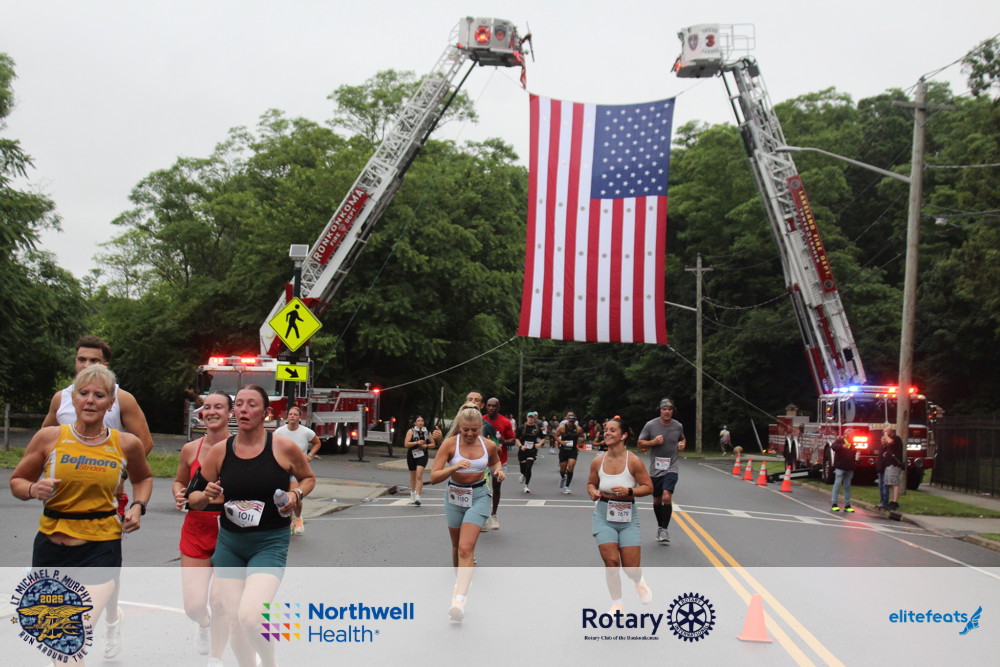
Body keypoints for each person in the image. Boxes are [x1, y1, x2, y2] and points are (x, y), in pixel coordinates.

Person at [9, 365, 153, 660]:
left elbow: (143, 478)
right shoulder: (49, 438)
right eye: (83, 393)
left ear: (110, 403)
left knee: (70, 635)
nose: (90, 401)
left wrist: (138, 506)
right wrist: (33, 489)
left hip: (100, 549)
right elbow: (17, 481)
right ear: (73, 399)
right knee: (58, 644)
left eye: (99, 395)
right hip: (50, 547)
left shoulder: (125, 443)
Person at [190, 385, 316, 667]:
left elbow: (308, 479)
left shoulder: (282, 447)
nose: (243, 410)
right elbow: (193, 498)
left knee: (251, 616)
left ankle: (269, 663)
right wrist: (206, 494)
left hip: (268, 544)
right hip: (230, 546)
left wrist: (296, 494)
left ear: (266, 413)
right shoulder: (221, 451)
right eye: (239, 404)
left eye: (252, 405)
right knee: (235, 622)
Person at [429, 404, 506, 623]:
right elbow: (434, 477)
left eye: (475, 430)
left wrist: (498, 471)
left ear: (481, 427)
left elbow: (495, 461)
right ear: (459, 428)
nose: (470, 434)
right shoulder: (450, 444)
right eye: (466, 430)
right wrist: (454, 467)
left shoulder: (489, 445)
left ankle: (459, 599)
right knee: (456, 547)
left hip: (479, 497)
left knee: (466, 547)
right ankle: (459, 585)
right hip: (454, 496)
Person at [172, 390, 232, 664]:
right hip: (196, 529)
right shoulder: (190, 449)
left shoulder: (240, 449)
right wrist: (179, 493)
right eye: (207, 407)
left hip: (230, 531)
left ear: (230, 413)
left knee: (220, 601)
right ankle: (204, 623)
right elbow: (179, 481)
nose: (211, 412)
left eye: (218, 407)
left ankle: (215, 658)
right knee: (194, 606)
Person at [586, 418, 654, 611]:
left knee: (631, 568)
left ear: (623, 435)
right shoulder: (597, 461)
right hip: (603, 516)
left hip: (627, 519)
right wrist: (592, 491)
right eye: (606, 430)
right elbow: (591, 483)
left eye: (612, 430)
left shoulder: (633, 461)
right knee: (611, 562)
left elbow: (648, 487)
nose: (607, 433)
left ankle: (638, 581)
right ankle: (617, 604)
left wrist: (629, 491)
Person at [637, 398, 686, 544]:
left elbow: (682, 439)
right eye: (664, 409)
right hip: (656, 468)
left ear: (673, 411)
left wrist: (682, 444)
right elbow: (640, 443)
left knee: (666, 496)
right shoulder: (650, 425)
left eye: (669, 409)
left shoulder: (678, 426)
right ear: (659, 410)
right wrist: (652, 442)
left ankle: (664, 529)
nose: (667, 412)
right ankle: (660, 526)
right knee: (657, 499)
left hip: (672, 466)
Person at [273, 406, 321, 534]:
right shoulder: (279, 432)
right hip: (283, 468)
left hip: (298, 469)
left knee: (295, 495)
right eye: (290, 414)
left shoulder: (306, 432)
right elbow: (272, 446)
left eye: (295, 414)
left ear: (300, 418)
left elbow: (317, 443)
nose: (292, 416)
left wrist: (310, 455)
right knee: (285, 496)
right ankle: (288, 524)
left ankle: (298, 518)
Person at [482, 397, 515, 529]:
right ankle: (483, 517)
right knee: (483, 489)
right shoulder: (481, 420)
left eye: (494, 406)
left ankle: (494, 515)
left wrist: (503, 441)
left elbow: (513, 440)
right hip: (483, 460)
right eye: (489, 405)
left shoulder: (505, 422)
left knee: (496, 487)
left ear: (498, 407)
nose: (491, 408)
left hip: (500, 460)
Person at [404, 415, 433, 506]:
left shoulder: (427, 432)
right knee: (413, 476)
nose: (421, 422)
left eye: (422, 420)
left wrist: (426, 446)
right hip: (412, 455)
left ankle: (418, 497)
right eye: (418, 420)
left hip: (423, 455)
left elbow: (433, 444)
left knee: (419, 475)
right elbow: (406, 444)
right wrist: (417, 442)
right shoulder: (411, 431)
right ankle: (412, 495)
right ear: (415, 423)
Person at [554, 412, 583, 494]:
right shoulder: (562, 428)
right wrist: (561, 442)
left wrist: (581, 440)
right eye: (570, 421)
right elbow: (555, 436)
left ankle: (567, 486)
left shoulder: (578, 429)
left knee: (571, 466)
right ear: (567, 420)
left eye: (573, 421)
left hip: (573, 450)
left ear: (575, 421)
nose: (571, 423)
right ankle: (563, 477)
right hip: (564, 450)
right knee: (562, 469)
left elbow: (582, 437)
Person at [516, 411, 543, 493]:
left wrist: (539, 444)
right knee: (523, 469)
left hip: (532, 451)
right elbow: (516, 438)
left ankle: (526, 486)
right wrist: (521, 446)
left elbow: (543, 438)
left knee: (529, 467)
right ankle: (523, 474)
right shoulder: (521, 427)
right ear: (527, 418)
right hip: (523, 450)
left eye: (532, 417)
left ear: (534, 419)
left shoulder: (537, 428)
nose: (531, 419)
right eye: (529, 417)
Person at [830, 430, 856, 512]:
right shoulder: (840, 440)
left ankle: (847, 505)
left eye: (852, 434)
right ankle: (834, 503)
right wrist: (842, 446)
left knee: (847, 486)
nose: (850, 435)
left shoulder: (853, 443)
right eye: (849, 433)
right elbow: (833, 447)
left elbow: (854, 452)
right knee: (837, 485)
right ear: (845, 434)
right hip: (840, 467)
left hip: (850, 467)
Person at [883, 427, 905, 511]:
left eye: (886, 431)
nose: (884, 433)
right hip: (889, 465)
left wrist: (886, 435)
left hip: (894, 464)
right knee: (891, 483)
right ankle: (892, 501)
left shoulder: (896, 438)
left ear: (890, 432)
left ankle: (895, 502)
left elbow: (891, 442)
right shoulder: (890, 439)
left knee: (895, 483)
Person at [876, 429, 892, 509]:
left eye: (885, 439)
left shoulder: (889, 448)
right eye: (882, 439)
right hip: (880, 469)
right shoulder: (881, 448)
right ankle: (881, 501)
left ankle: (885, 502)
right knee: (880, 486)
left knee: (885, 486)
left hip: (886, 469)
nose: (883, 440)